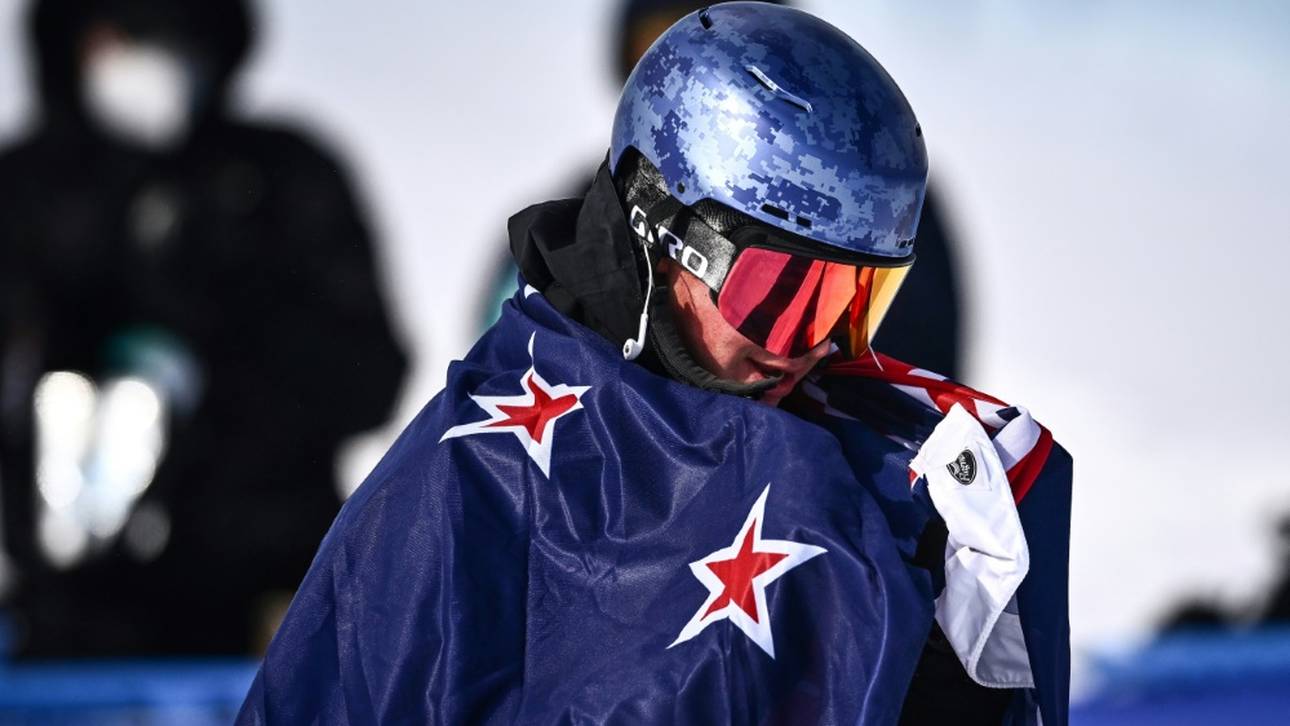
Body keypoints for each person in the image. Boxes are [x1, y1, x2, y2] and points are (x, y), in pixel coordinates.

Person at [240, 4, 1070, 724]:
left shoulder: (877, 490)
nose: (810, 347)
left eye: (854, 304)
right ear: (659, 233)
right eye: (779, 294)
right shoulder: (472, 481)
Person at [0, 0, 407, 656]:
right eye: (119, 33)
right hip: (70, 617)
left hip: (264, 604)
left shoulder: (280, 180)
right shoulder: (23, 195)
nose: (145, 58)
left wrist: (223, 359)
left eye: (169, 32)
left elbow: (371, 375)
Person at [477, 0, 965, 381]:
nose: (816, 351)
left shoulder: (876, 206)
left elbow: (917, 349)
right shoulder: (581, 221)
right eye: (657, 45)